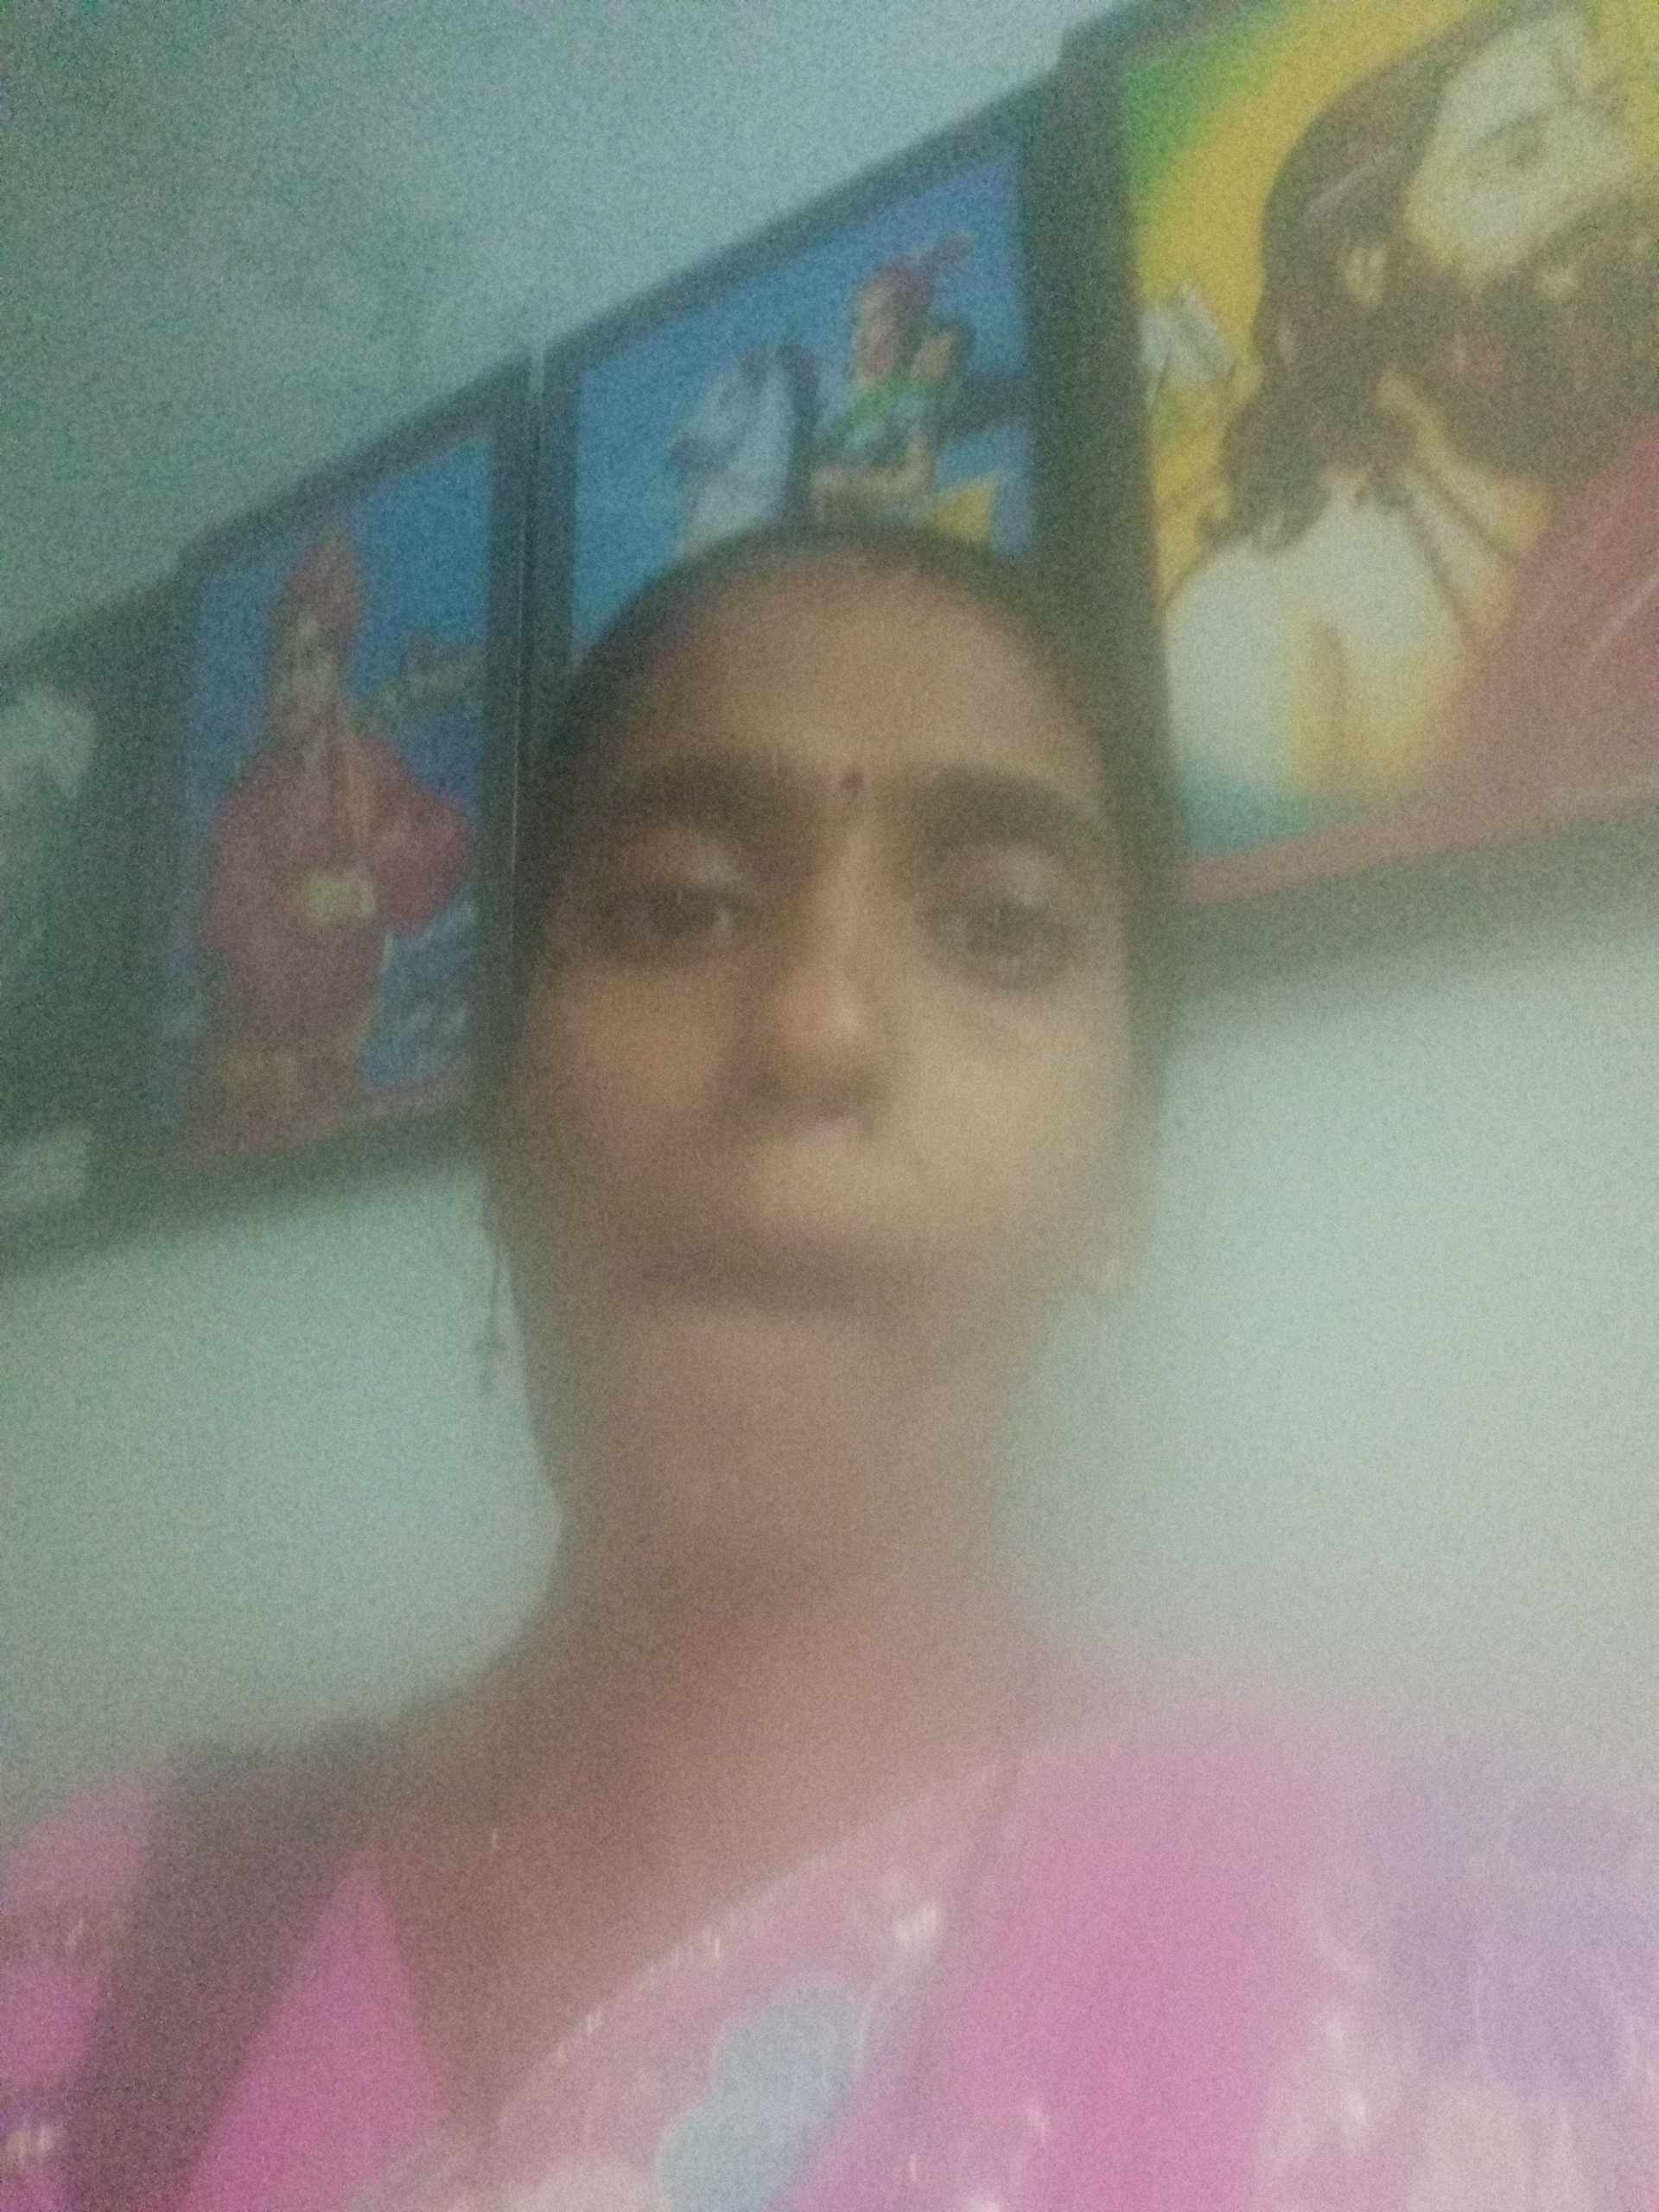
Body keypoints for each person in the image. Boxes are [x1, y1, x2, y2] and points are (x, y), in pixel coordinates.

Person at [4, 524, 1657, 2211]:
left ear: (1121, 1174)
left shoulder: (1506, 1997)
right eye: (675, 908)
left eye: (999, 928)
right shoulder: (92, 1959)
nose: (814, 1027)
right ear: (503, 1108)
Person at [1165, 0, 1659, 826]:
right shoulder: (1268, 633)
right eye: (1518, 155)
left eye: (1610, 112)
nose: (1614, 171)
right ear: (1368, 263)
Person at [189, 529, 473, 1158]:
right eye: (282, 667)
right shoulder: (244, 806)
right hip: (255, 1092)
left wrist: (368, 888)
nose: (293, 685)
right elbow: (236, 943)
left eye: (310, 663)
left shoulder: (370, 770)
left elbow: (449, 839)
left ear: (335, 673)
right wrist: (301, 908)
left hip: (346, 1070)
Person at [810, 250, 968, 522]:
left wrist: (844, 483)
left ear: (906, 326)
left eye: (877, 319)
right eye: (857, 321)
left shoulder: (918, 394)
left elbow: (919, 483)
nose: (860, 337)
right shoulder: (834, 397)